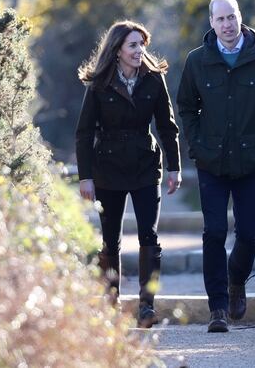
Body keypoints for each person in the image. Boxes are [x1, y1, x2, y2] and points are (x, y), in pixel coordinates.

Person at [177, 0, 255, 332]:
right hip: (212, 162)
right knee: (213, 233)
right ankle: (217, 309)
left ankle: (236, 281)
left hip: (252, 162)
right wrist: (198, 146)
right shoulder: (198, 61)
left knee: (249, 237)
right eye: (220, 19)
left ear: (240, 18)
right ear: (211, 23)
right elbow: (186, 107)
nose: (227, 25)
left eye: (231, 18)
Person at [76, 20, 181, 328]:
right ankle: (111, 303)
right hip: (107, 169)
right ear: (117, 49)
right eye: (133, 45)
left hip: (146, 166)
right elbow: (84, 133)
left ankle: (147, 306)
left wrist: (174, 167)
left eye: (142, 45)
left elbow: (167, 126)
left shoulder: (154, 79)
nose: (139, 51)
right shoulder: (99, 84)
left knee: (149, 236)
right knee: (110, 241)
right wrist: (86, 177)